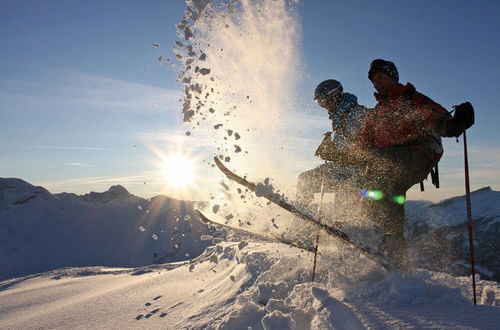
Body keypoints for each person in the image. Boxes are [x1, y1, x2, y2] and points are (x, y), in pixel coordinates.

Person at [315, 59, 474, 272]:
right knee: (390, 195)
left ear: (393, 76)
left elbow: (442, 123)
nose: (376, 83)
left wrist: (458, 122)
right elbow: (360, 150)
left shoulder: (410, 99)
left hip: (418, 155)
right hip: (393, 162)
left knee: (381, 167)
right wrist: (334, 154)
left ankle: (371, 231)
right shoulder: (376, 115)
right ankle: (395, 253)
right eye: (373, 80)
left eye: (380, 77)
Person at [296, 80, 369, 215]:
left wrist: (331, 150)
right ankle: (301, 217)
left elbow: (359, 148)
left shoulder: (356, 114)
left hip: (358, 172)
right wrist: (330, 147)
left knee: (345, 192)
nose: (323, 107)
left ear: (334, 97)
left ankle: (349, 227)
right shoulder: (340, 117)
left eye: (324, 102)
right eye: (319, 103)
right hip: (345, 168)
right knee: (306, 179)